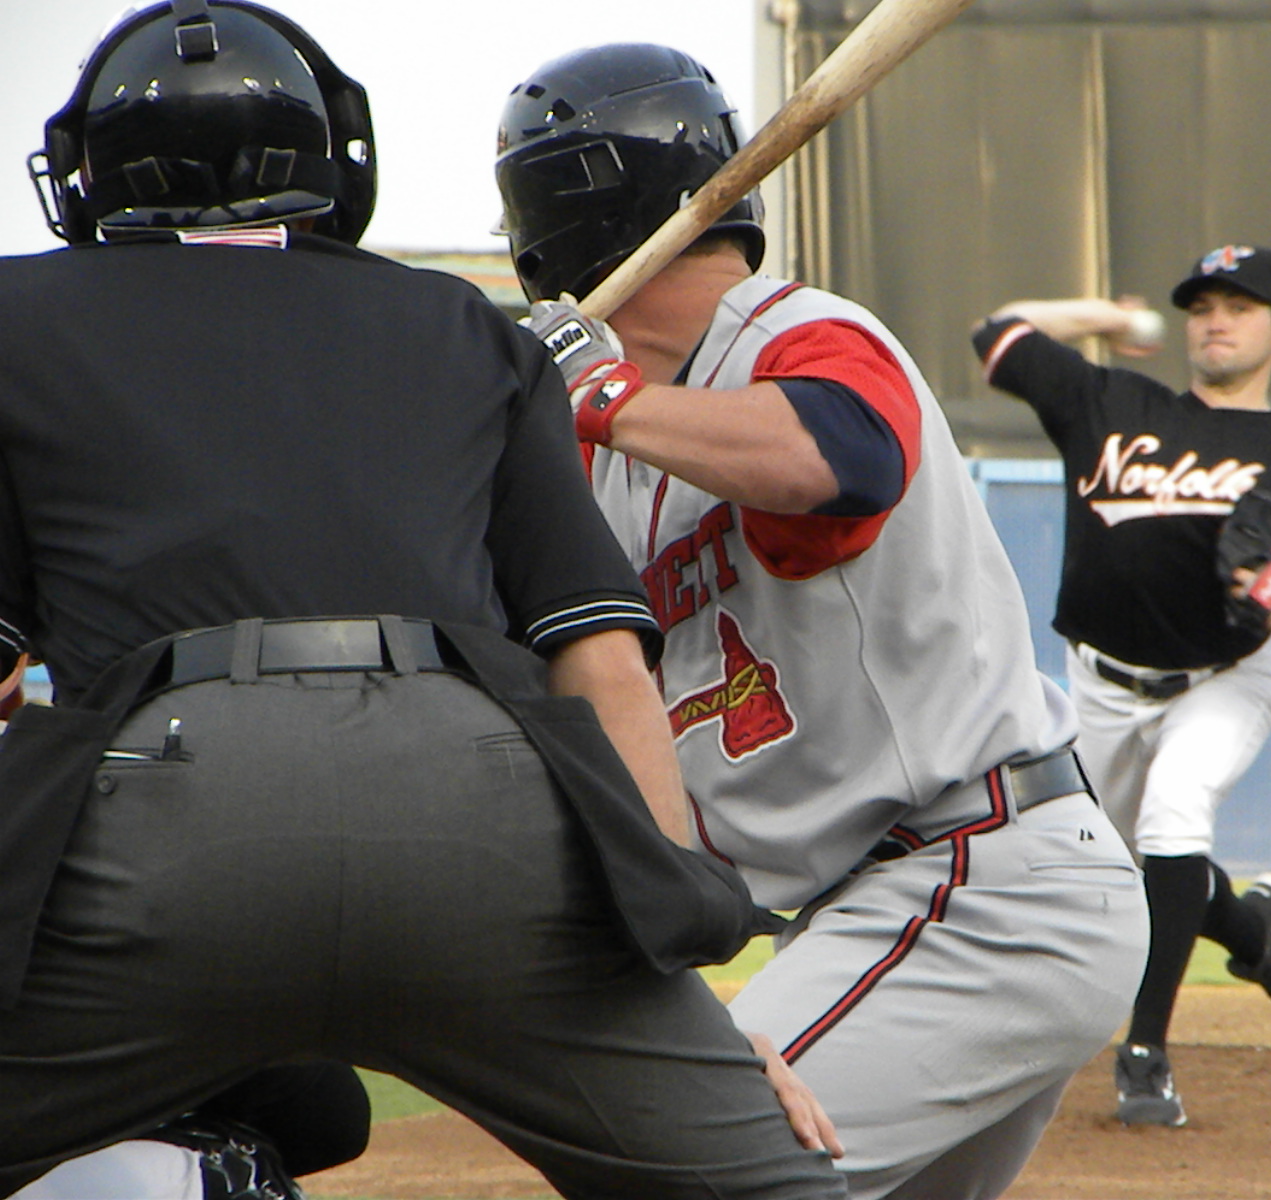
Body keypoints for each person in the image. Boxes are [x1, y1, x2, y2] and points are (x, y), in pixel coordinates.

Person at [0, 5, 847, 1198]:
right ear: (332, 162)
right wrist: (678, 1000)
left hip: (166, 815)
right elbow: (601, 662)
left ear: (91, 173)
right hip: (483, 813)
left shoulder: (18, 316)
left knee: (270, 1104)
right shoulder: (463, 325)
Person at [496, 43, 1151, 1200]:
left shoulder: (791, 332)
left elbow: (840, 460)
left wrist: (602, 396)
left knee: (692, 1170)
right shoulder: (611, 456)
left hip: (975, 882)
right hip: (891, 905)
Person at [971, 244, 1271, 1127]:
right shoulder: (1110, 402)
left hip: (1224, 679)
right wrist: (1105, 319)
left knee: (1176, 812)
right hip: (1097, 686)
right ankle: (1258, 934)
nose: (1216, 321)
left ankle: (1145, 1055)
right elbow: (998, 335)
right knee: (1113, 871)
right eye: (1202, 306)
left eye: (1240, 307)